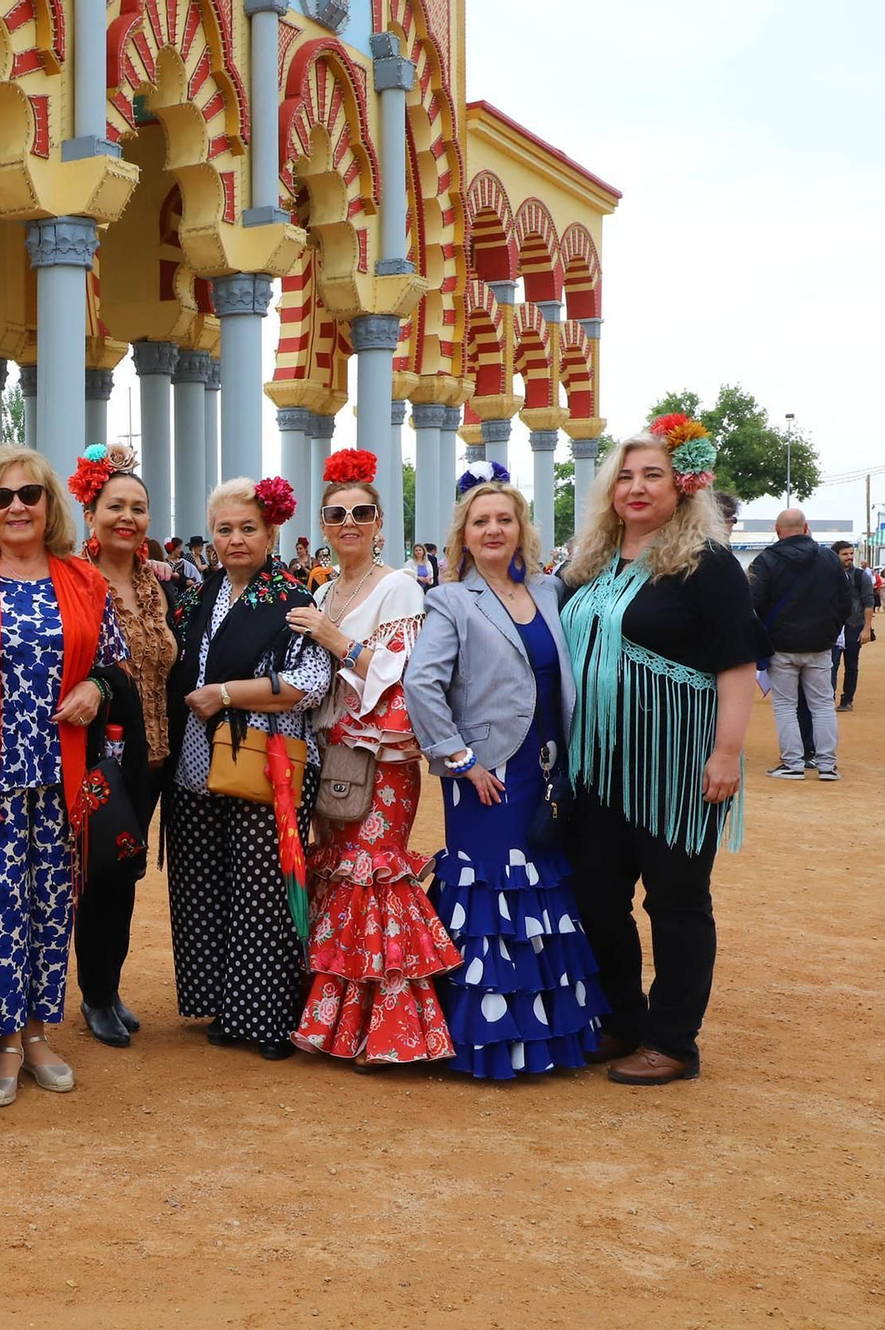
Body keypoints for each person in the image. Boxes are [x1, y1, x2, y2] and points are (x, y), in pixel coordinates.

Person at [559, 417, 756, 1085]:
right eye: (626, 476)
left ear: (683, 487)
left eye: (653, 476)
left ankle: (673, 1041)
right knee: (595, 898)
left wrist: (726, 753)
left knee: (675, 901)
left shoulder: (708, 565)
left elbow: (736, 669)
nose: (636, 488)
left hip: (677, 767)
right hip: (596, 767)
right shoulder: (586, 565)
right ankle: (621, 1019)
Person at [0, 444, 129, 1106]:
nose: (16, 506)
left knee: (54, 906)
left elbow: (115, 666)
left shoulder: (84, 580)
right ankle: (6, 1038)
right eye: (1, 497)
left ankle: (41, 1032)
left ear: (50, 505)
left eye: (29, 495)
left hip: (63, 779)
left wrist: (96, 692)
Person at [404, 473, 605, 1077]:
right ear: (463, 536)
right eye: (480, 521)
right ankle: (481, 1040)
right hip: (485, 775)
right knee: (491, 892)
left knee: (541, 887)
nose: (493, 529)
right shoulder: (451, 600)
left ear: (522, 530)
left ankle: (541, 1036)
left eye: (505, 519)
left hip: (548, 766)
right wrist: (461, 759)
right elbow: (421, 683)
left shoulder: (548, 590)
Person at [287, 450, 457, 1067]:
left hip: (380, 761)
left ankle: (387, 1031)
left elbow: (401, 677)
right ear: (323, 523)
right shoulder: (327, 586)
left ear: (381, 522)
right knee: (338, 872)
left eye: (362, 512)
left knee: (373, 875)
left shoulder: (400, 586)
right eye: (337, 513)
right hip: (330, 753)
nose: (349, 522)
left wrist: (334, 639)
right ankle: (337, 1024)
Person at [164, 474, 330, 1060]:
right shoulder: (199, 594)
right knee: (204, 878)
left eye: (248, 528)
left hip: (268, 756)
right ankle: (224, 1003)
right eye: (225, 528)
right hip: (196, 752)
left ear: (271, 531)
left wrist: (227, 694)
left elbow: (309, 683)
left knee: (262, 883)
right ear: (211, 533)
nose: (236, 539)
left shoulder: (293, 598)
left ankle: (263, 1016)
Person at [69, 443, 169, 1048]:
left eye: (138, 508)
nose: (126, 518)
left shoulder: (156, 585)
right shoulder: (77, 583)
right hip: (101, 757)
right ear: (91, 513)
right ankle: (94, 993)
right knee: (99, 874)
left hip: (154, 757)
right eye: (115, 507)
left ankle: (111, 984)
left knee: (126, 872)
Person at [751, 508, 851, 781]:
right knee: (822, 705)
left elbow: (753, 604)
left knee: (785, 705)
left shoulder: (766, 560)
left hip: (780, 646)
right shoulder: (829, 559)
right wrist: (830, 632)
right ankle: (827, 765)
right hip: (820, 645)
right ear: (806, 527)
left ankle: (793, 763)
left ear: (777, 529)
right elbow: (845, 601)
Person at [830, 541, 875, 711]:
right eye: (845, 554)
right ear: (836, 556)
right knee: (830, 665)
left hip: (854, 626)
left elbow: (868, 603)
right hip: (832, 628)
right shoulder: (828, 576)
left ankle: (847, 700)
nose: (849, 557)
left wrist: (866, 628)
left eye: (851, 553)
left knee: (851, 665)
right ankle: (828, 700)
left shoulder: (860, 576)